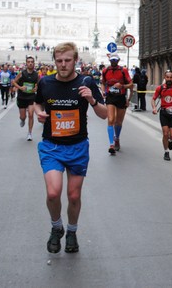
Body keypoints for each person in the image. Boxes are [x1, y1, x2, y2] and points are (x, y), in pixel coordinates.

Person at [34, 42, 107, 254]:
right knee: (53, 192)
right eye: (59, 61)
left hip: (77, 147)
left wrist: (92, 100)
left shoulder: (86, 81)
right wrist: (39, 112)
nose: (63, 64)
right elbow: (38, 103)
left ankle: (72, 232)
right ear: (54, 61)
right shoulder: (46, 82)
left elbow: (104, 115)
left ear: (75, 60)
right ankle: (57, 227)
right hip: (52, 146)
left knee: (74, 196)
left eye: (67, 60)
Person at [101, 54, 132, 155]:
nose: (113, 62)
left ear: (118, 61)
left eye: (115, 60)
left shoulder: (123, 70)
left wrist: (122, 86)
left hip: (121, 97)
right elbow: (103, 82)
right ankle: (111, 144)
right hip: (110, 97)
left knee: (118, 122)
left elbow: (131, 84)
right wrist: (103, 91)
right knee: (110, 120)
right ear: (109, 61)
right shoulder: (105, 70)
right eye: (111, 60)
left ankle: (117, 138)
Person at [151, 70, 172, 161]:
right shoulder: (160, 88)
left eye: (171, 77)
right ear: (165, 78)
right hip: (164, 113)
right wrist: (154, 108)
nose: (169, 79)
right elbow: (153, 99)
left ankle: (170, 141)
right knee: (165, 133)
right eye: (167, 77)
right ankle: (166, 152)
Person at [12, 55, 40, 141]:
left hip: (31, 97)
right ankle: (22, 120)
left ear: (34, 64)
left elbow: (37, 85)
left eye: (32, 62)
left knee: (31, 115)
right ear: (26, 63)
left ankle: (29, 133)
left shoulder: (36, 75)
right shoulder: (22, 73)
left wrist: (36, 88)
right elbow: (13, 82)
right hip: (22, 97)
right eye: (29, 62)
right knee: (23, 116)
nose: (30, 63)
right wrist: (20, 88)